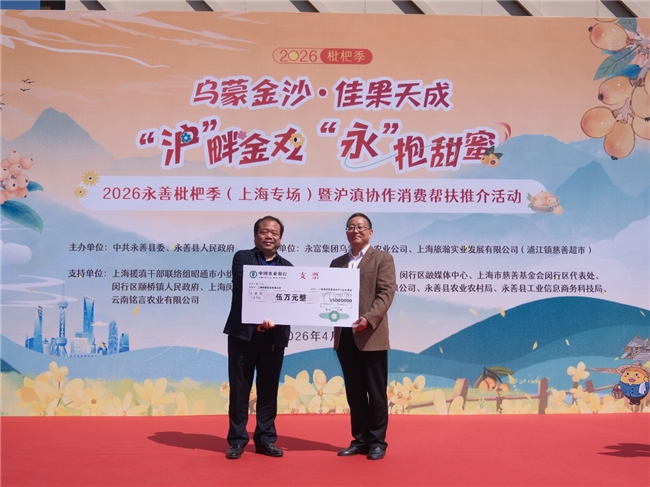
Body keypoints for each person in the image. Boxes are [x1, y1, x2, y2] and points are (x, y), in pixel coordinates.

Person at [223, 216, 292, 460]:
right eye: (264, 232)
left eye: (274, 233)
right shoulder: (242, 258)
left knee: (268, 390)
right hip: (244, 335)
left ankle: (265, 439)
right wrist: (263, 314)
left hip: (274, 337)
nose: (269, 236)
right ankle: (237, 440)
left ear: (280, 239)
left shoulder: (289, 269)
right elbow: (246, 287)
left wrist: (276, 318)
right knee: (240, 389)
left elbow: (291, 301)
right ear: (255, 236)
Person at [331, 213, 396, 461]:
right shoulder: (337, 263)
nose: (355, 230)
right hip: (345, 336)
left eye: (360, 227)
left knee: (375, 391)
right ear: (346, 233)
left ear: (370, 232)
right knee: (354, 391)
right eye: (351, 227)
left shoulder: (382, 259)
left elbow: (385, 294)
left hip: (370, 335)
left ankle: (377, 441)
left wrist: (368, 318)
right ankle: (359, 440)